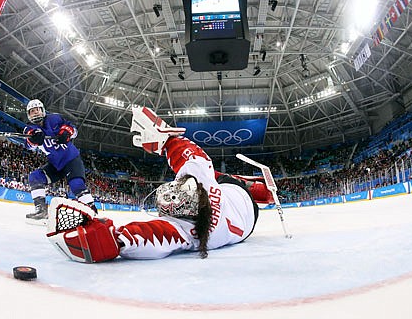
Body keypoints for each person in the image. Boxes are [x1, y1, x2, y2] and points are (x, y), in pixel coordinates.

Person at [46, 106, 274, 262]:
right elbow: (195, 160)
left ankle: (248, 187)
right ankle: (249, 186)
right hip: (235, 194)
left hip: (242, 217)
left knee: (214, 176)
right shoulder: (201, 191)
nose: (173, 187)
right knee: (216, 176)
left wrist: (109, 240)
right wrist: (166, 140)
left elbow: (148, 236)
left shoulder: (185, 232)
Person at [24, 99, 96, 223]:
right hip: (56, 165)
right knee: (35, 177)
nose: (35, 113)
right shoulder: (29, 129)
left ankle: (92, 212)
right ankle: (41, 210)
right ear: (28, 115)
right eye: (32, 111)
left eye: (37, 110)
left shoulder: (55, 119)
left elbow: (73, 130)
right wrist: (34, 139)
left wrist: (66, 132)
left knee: (77, 185)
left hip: (71, 160)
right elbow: (29, 145)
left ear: (43, 111)